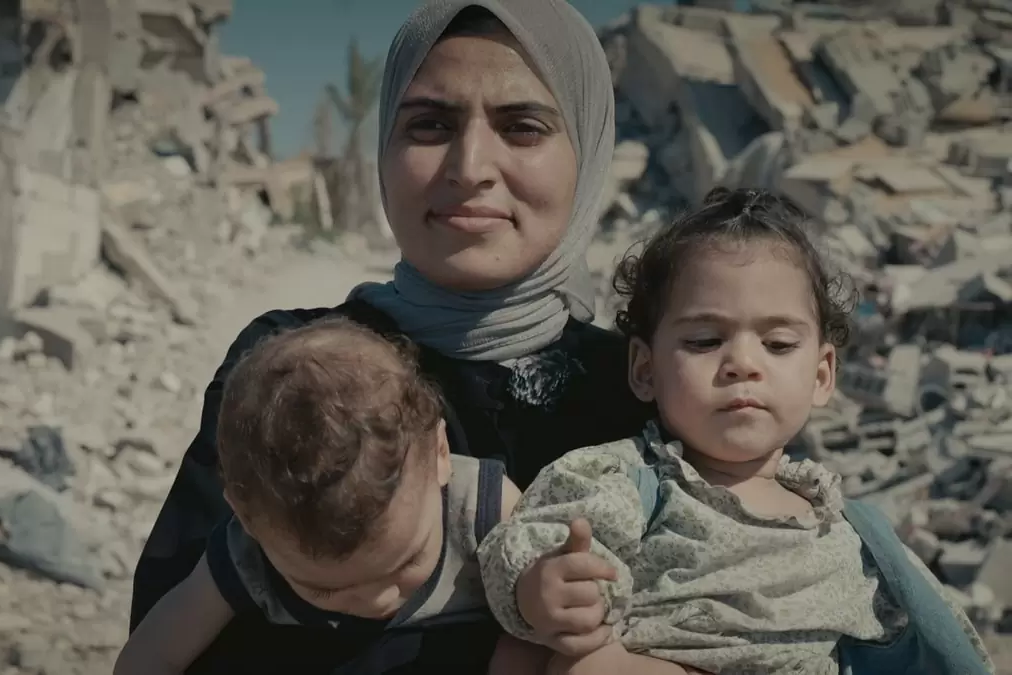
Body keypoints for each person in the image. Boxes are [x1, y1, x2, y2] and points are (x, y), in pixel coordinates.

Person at [129, 0, 655, 671]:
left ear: (588, 148)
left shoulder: (645, 390)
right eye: (430, 124)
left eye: (522, 127)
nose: (469, 167)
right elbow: (176, 636)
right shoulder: (290, 372)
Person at [478, 188, 995, 675]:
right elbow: (532, 544)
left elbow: (940, 639)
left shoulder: (851, 533)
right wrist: (542, 587)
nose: (743, 363)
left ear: (821, 375)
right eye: (705, 341)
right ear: (645, 369)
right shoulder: (625, 485)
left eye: (778, 344)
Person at [114, 317, 519, 675]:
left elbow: (546, 606)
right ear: (246, 518)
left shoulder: (481, 510)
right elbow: (155, 652)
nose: (377, 601)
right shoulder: (249, 556)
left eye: (408, 562)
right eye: (324, 591)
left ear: (441, 454)